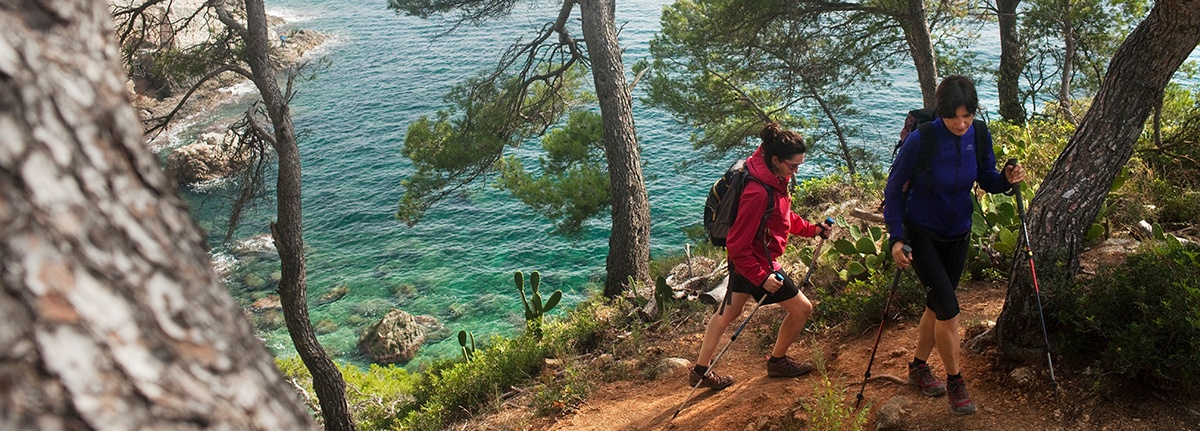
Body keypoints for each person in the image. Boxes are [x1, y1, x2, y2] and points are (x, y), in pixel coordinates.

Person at [883, 75, 1025, 415]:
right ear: (941, 111)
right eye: (953, 116)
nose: (961, 123)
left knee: (936, 304)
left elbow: (986, 179)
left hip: (959, 231)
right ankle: (956, 382)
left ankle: (918, 366)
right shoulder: (922, 140)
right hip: (923, 234)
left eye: (967, 115)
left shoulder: (979, 132)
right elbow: (893, 189)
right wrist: (896, 238)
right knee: (948, 308)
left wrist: (1005, 180)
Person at [688, 122, 833, 390]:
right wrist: (762, 276)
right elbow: (736, 243)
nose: (796, 171)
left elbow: (782, 217)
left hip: (749, 265)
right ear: (776, 160)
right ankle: (777, 361)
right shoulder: (757, 191)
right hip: (757, 265)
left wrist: (813, 230)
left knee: (727, 313)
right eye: (793, 166)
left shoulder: (774, 178)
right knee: (802, 309)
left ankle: (700, 370)